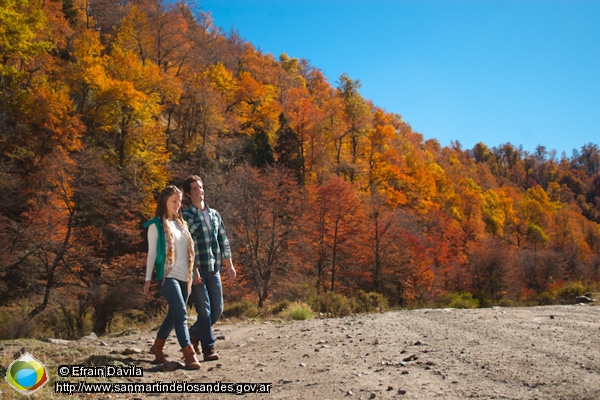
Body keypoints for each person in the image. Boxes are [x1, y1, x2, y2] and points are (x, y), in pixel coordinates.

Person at [143, 185, 202, 370]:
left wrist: (194, 272)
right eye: (173, 201)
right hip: (167, 275)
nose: (177, 205)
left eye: (179, 201)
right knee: (182, 313)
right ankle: (189, 354)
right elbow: (151, 253)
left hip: (185, 275)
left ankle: (157, 346)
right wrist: (147, 279)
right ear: (165, 202)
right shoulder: (156, 225)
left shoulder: (181, 224)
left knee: (174, 313)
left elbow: (188, 252)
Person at [182, 175, 237, 362]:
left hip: (214, 268)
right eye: (195, 189)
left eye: (201, 187)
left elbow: (223, 240)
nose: (200, 191)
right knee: (204, 311)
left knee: (217, 310)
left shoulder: (214, 214)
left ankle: (193, 333)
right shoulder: (186, 216)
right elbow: (187, 247)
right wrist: (193, 270)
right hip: (197, 269)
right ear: (189, 194)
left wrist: (229, 265)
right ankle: (209, 348)